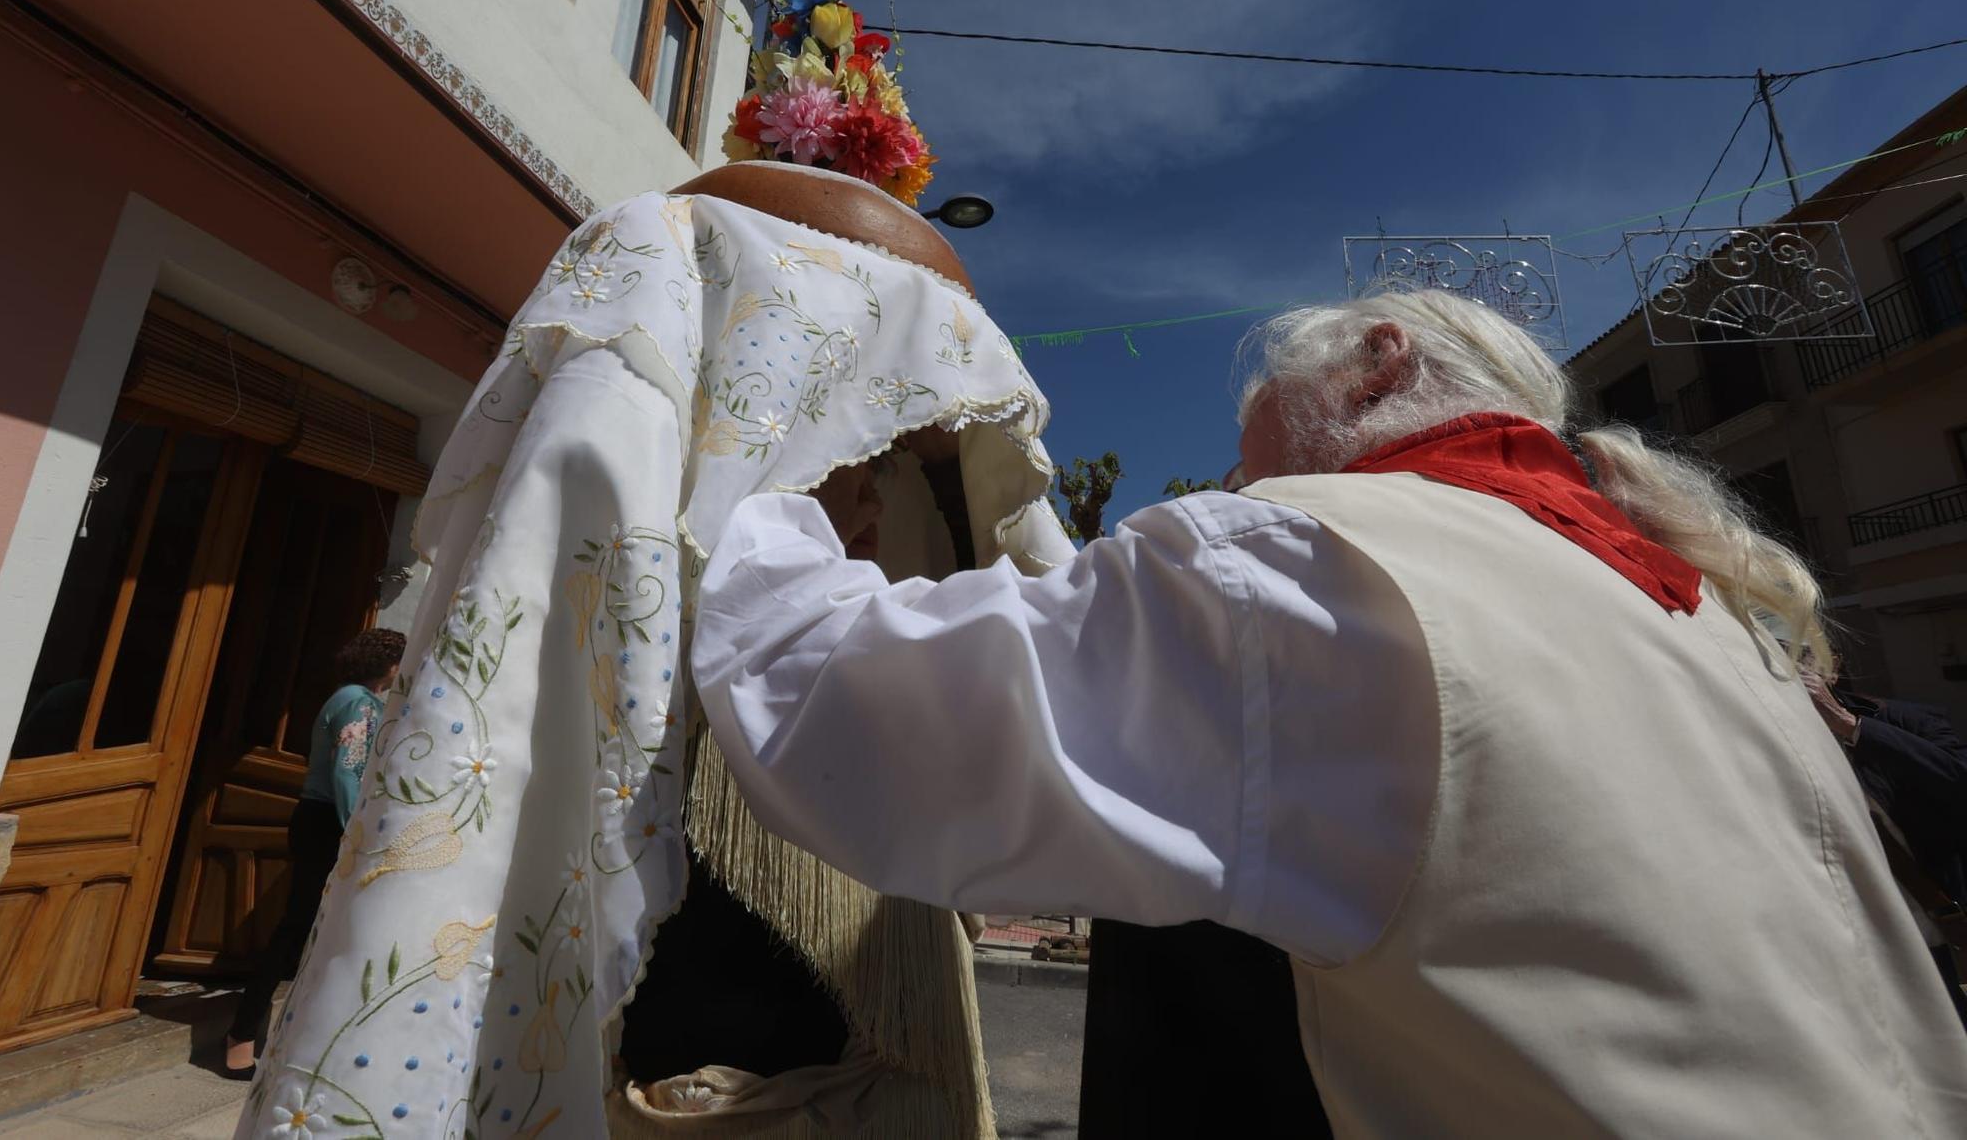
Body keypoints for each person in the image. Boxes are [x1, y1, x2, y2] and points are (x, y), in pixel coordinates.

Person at [692, 289, 1967, 1136]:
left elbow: (837, 704)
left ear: (1375, 366)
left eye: (1249, 438)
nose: (1235, 470)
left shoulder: (1318, 562)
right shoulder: (1707, 615)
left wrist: (773, 484)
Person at [238, 189, 1075, 1140]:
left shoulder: (897, 679)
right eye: (835, 452)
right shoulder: (606, 710)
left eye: (883, 464)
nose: (869, 506)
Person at [226, 627, 403, 1073]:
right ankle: (242, 1034)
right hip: (328, 821)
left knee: (310, 926)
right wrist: (353, 835)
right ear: (387, 664)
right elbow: (348, 772)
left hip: (321, 819)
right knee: (298, 926)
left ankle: (289, 1032)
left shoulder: (354, 699)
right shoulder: (358, 702)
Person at [1804, 668, 1967, 1026]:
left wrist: (1850, 725)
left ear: (1829, 669)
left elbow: (1957, 780)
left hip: (1938, 907)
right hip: (1857, 931)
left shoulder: (1905, 719)